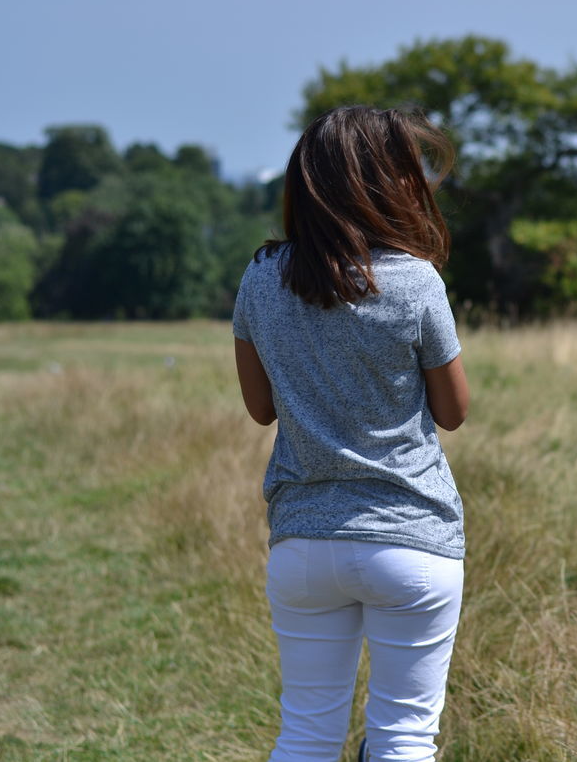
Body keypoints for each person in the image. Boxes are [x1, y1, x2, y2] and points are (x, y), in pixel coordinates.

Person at [232, 105, 471, 762]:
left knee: (306, 734)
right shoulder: (417, 281)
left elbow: (260, 408)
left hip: (305, 539)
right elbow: (453, 411)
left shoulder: (260, 278)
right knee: (402, 738)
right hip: (412, 538)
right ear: (389, 182)